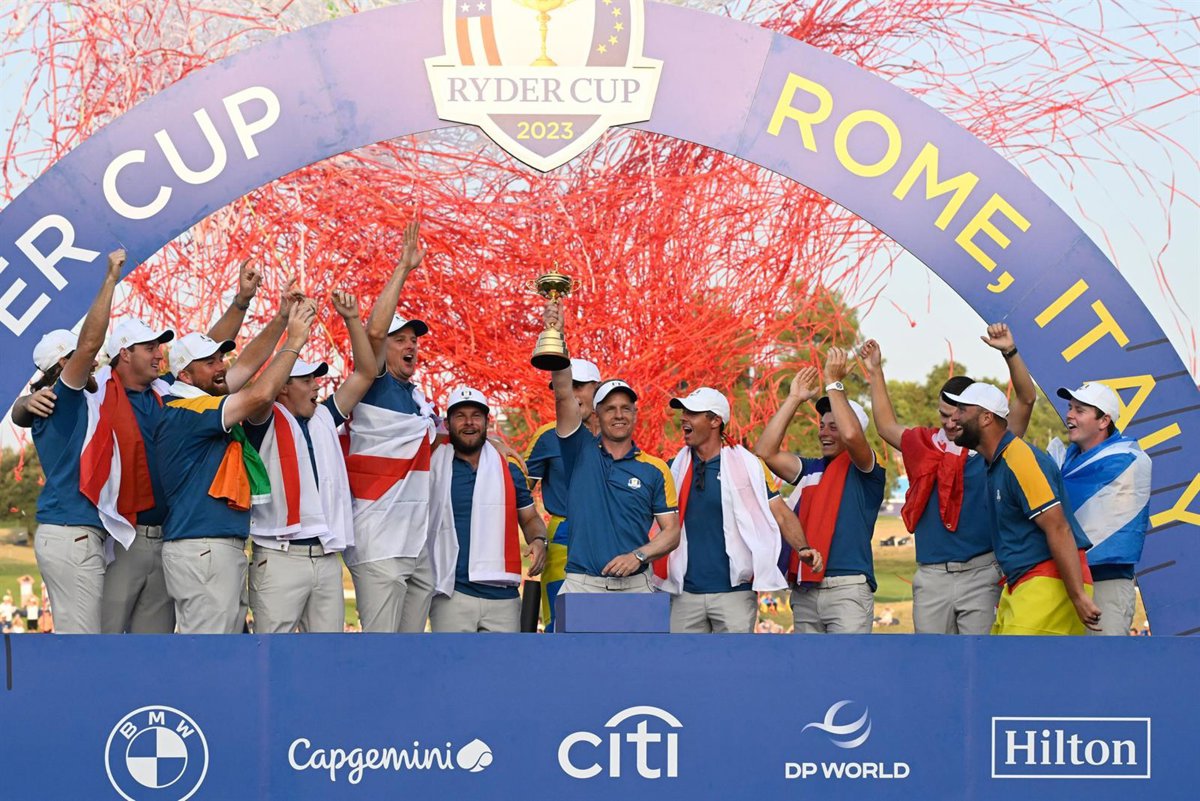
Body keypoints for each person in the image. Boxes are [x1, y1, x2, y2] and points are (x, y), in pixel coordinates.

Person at [154, 300, 318, 634]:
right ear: (185, 375)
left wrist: (281, 318)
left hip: (210, 548)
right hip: (203, 547)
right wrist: (294, 342)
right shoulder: (189, 410)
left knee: (220, 649)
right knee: (208, 654)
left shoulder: (198, 400)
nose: (222, 366)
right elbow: (261, 395)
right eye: (210, 362)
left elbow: (247, 364)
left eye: (220, 358)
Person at [860, 323, 1035, 634]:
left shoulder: (992, 445)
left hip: (983, 573)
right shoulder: (925, 445)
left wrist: (1010, 352)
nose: (951, 423)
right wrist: (875, 372)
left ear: (976, 414)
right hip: (932, 576)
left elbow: (1026, 400)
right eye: (944, 415)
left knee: (978, 658)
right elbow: (886, 426)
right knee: (932, 660)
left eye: (959, 416)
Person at [243, 290, 375, 633]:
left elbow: (365, 374)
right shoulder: (262, 419)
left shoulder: (324, 416)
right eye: (306, 380)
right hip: (279, 556)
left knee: (327, 655)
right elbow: (262, 392)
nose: (317, 386)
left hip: (326, 558)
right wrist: (293, 339)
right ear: (283, 387)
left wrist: (352, 320)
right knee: (275, 653)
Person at [341, 221, 439, 632]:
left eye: (414, 339)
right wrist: (403, 268)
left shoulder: (417, 400)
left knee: (409, 656)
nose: (411, 345)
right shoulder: (374, 382)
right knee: (379, 654)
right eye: (401, 339)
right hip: (379, 543)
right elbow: (375, 331)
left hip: (417, 545)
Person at [19, 249, 123, 632]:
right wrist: (110, 279)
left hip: (69, 533)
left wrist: (20, 406)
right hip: (71, 534)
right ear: (64, 365)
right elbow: (90, 345)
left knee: (80, 638)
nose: (93, 363)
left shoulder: (60, 401)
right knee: (82, 644)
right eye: (81, 360)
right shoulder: (62, 398)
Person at [945, 381, 1102, 635]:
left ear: (986, 418)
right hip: (1024, 582)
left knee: (1013, 661)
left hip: (1047, 581)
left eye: (962, 410)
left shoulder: (1020, 458)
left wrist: (1078, 596)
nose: (953, 417)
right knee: (1001, 659)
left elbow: (1059, 527)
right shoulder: (997, 461)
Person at [545, 299, 680, 593]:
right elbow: (564, 394)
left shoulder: (655, 469)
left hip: (637, 585)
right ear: (596, 414)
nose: (619, 415)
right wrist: (557, 335)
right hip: (582, 584)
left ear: (635, 414)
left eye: (625, 408)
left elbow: (672, 532)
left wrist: (638, 556)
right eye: (609, 409)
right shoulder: (579, 451)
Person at [662, 387, 821, 633]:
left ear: (715, 421)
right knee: (683, 660)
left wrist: (802, 548)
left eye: (692, 413)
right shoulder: (673, 467)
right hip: (684, 593)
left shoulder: (750, 466)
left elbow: (780, 512)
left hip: (734, 595)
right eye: (683, 412)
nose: (683, 418)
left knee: (733, 659)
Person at [753, 348, 885, 634]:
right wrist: (794, 399)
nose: (823, 432)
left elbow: (852, 435)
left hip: (847, 588)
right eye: (822, 425)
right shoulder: (811, 469)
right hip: (806, 588)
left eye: (833, 427)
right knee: (808, 664)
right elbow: (764, 452)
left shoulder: (866, 470)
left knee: (847, 662)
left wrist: (834, 382)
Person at [427, 387, 548, 632]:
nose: (469, 422)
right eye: (460, 416)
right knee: (452, 659)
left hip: (503, 596)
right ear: (447, 424)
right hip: (450, 593)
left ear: (487, 421)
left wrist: (539, 540)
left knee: (503, 660)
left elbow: (529, 518)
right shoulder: (432, 464)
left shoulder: (509, 469)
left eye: (476, 416)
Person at [1051, 382, 1151, 636]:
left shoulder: (1127, 460)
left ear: (1104, 420)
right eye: (1070, 407)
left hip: (1106, 583)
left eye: (1080, 410)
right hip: (1062, 581)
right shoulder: (1064, 459)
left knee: (1103, 661)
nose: (1069, 415)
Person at [523, 358, 601, 631]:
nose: (571, 394)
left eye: (578, 386)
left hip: (611, 537)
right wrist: (537, 535)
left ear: (597, 388)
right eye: (565, 387)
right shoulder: (546, 436)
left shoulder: (617, 436)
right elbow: (519, 492)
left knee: (609, 623)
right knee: (561, 624)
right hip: (563, 536)